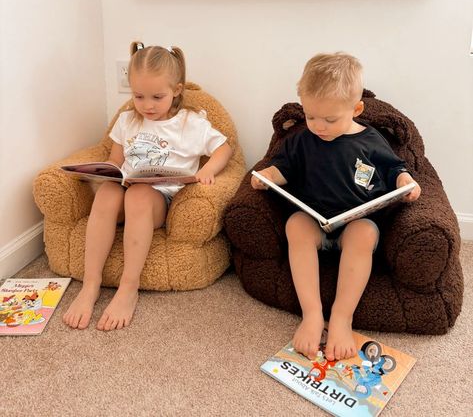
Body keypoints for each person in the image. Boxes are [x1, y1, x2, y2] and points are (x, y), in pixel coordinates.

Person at [251, 52, 421, 361]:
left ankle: (342, 318)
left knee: (365, 232)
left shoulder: (371, 141)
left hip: (353, 224)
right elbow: (281, 168)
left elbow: (396, 169)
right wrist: (266, 177)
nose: (319, 126)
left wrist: (405, 183)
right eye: (311, 116)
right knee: (295, 225)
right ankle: (313, 314)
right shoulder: (301, 139)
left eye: (330, 119)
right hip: (315, 221)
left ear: (356, 109)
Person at [63, 42, 233, 331]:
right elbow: (115, 160)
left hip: (157, 201)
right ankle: (90, 285)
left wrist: (207, 170)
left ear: (177, 90)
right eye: (138, 96)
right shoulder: (127, 120)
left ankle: (129, 287)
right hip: (125, 190)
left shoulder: (190, 123)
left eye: (157, 96)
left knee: (140, 194)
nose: (147, 105)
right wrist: (106, 174)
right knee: (107, 192)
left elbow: (225, 149)